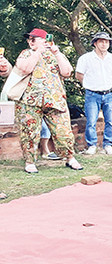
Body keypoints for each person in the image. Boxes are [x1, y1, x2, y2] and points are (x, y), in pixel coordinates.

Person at [13, 28, 83, 173]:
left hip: (55, 99)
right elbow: (25, 69)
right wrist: (38, 52)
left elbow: (67, 72)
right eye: (30, 39)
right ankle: (30, 161)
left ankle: (70, 158)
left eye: (34, 39)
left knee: (63, 130)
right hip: (29, 101)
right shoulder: (26, 54)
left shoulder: (56, 55)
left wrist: (56, 52)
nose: (30, 41)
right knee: (29, 132)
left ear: (45, 40)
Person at [75, 32, 112, 155]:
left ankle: (108, 145)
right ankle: (92, 145)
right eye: (101, 41)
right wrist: (91, 84)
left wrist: (105, 83)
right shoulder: (85, 58)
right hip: (92, 94)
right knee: (91, 121)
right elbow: (79, 75)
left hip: (109, 94)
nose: (104, 44)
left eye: (106, 41)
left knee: (110, 121)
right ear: (95, 43)